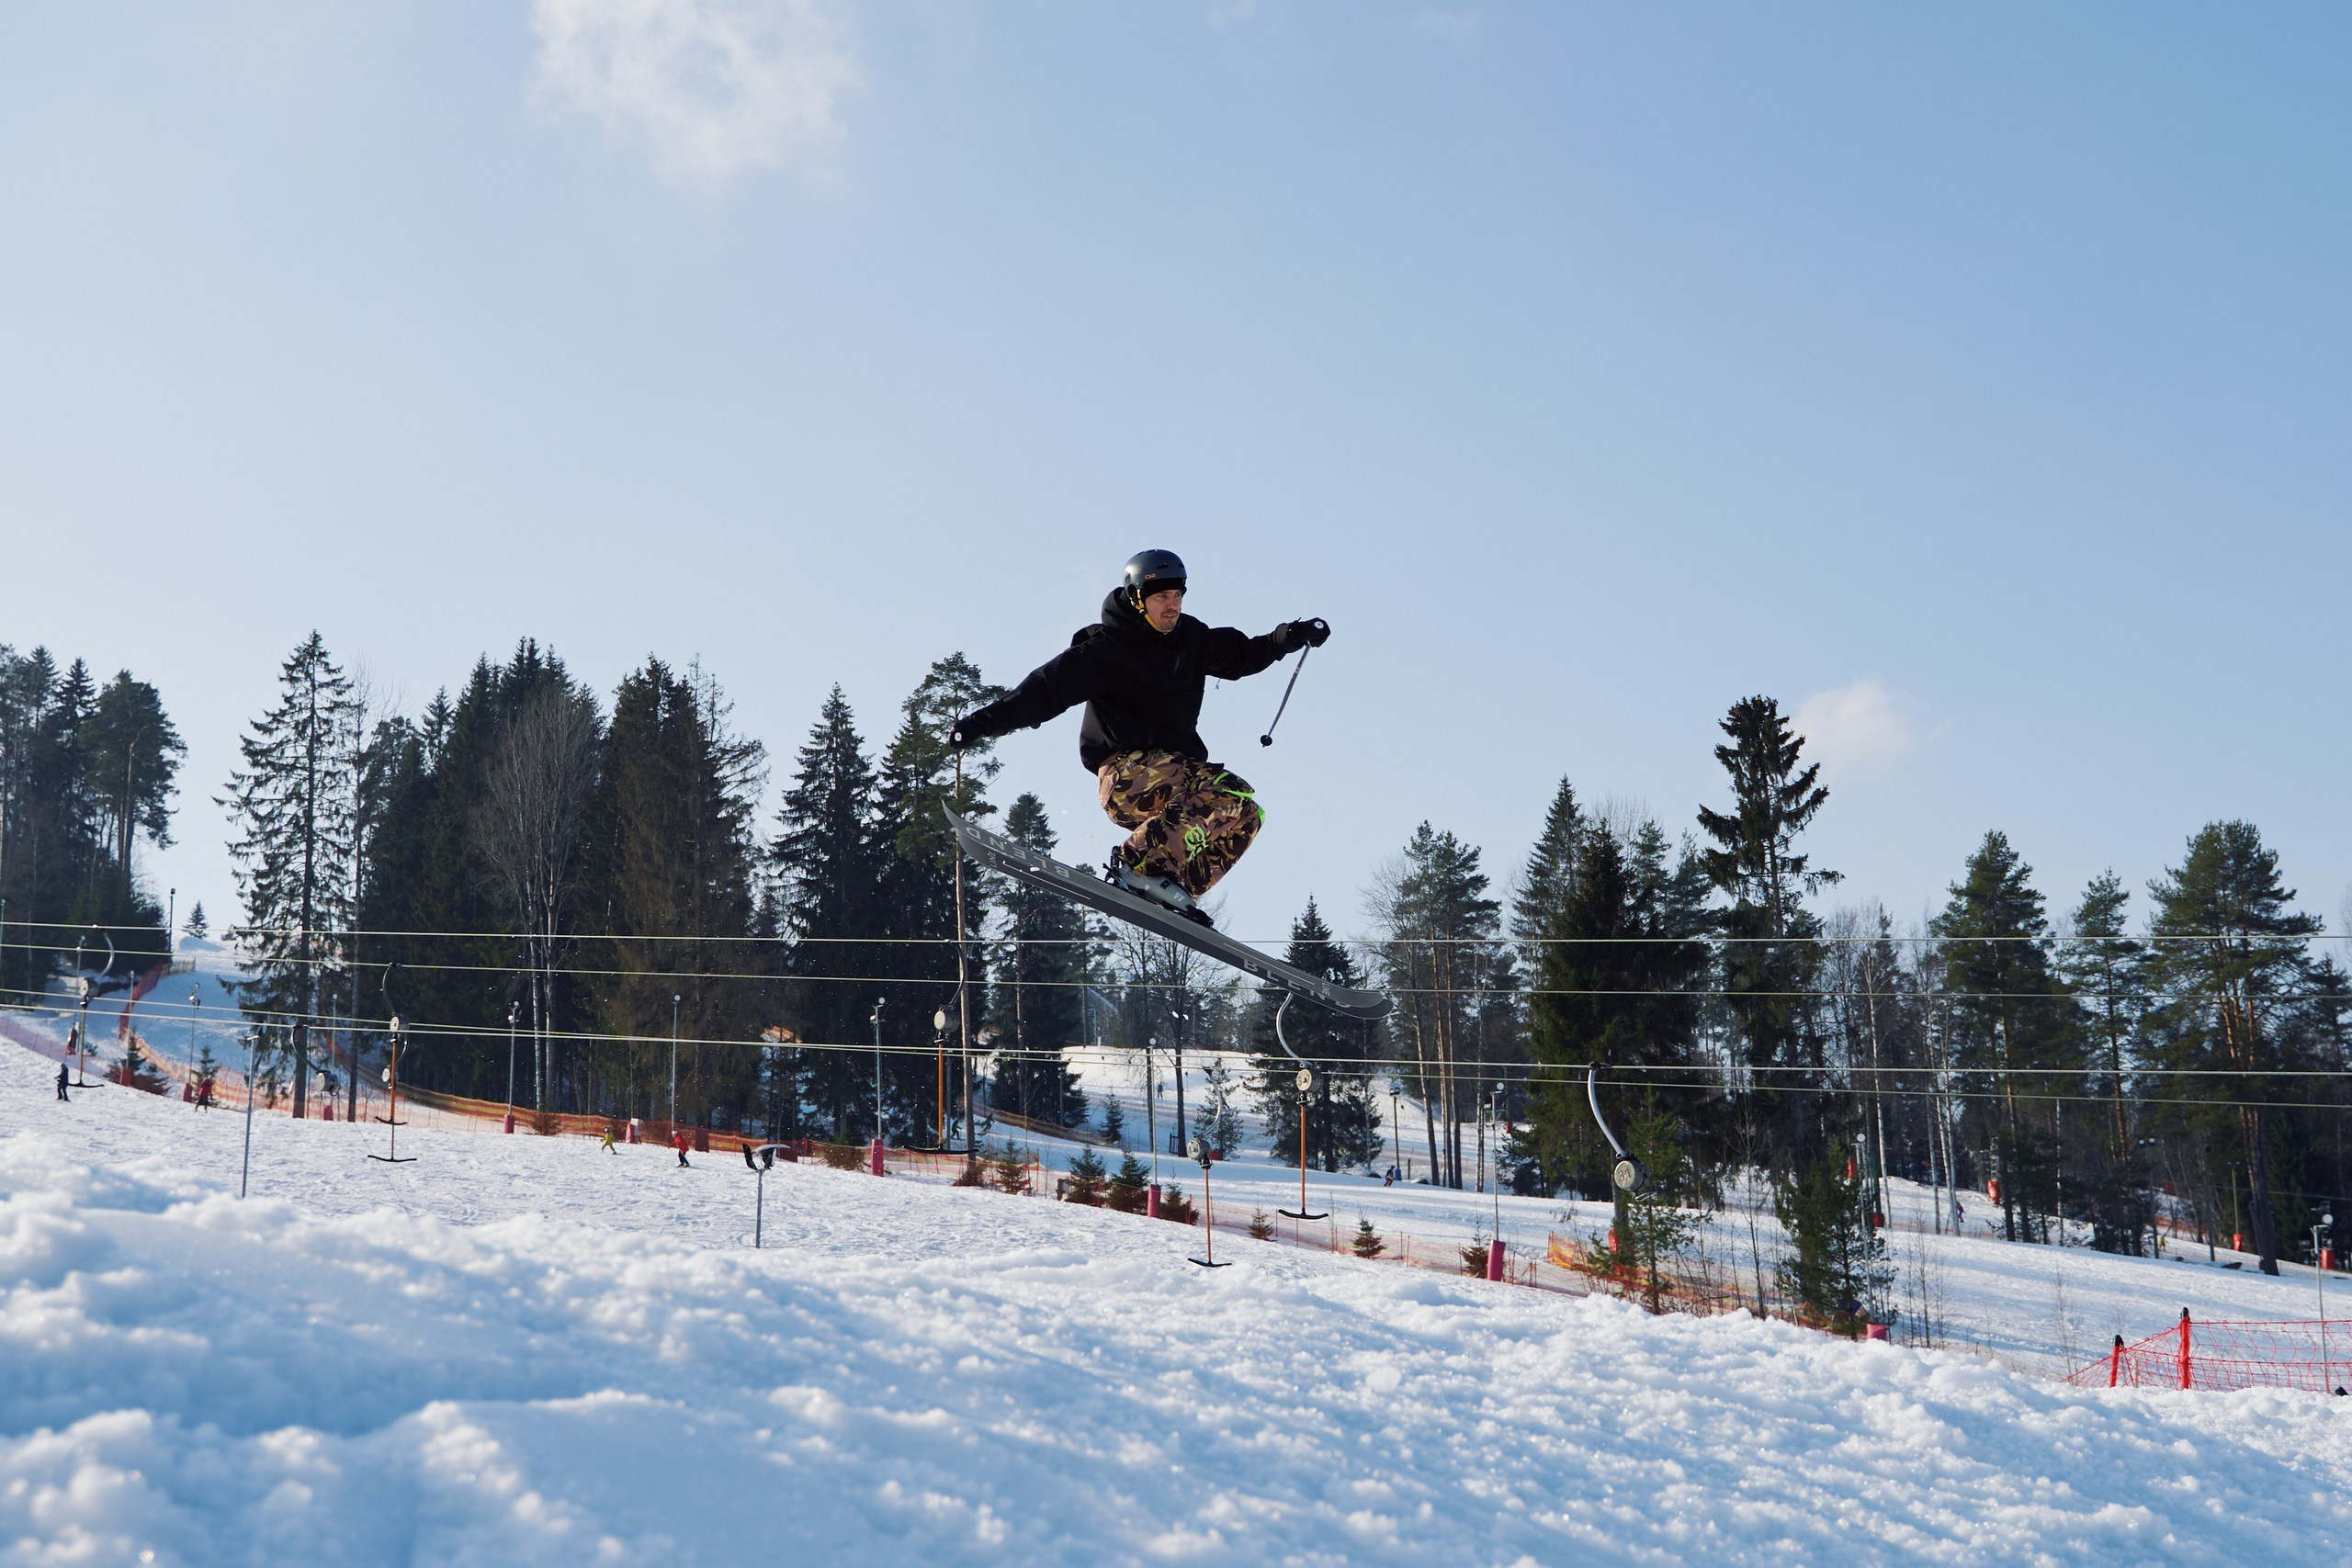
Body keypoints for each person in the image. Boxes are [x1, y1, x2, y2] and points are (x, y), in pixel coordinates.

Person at [949, 549, 1328, 925]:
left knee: (1245, 814)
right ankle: (1136, 863)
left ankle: (1171, 885)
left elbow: (1243, 654)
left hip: (1176, 784)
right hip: (1126, 775)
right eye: (1162, 597)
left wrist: (1291, 635)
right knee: (1228, 790)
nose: (1172, 606)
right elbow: (1043, 692)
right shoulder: (1108, 649)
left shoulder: (1191, 640)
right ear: (1137, 599)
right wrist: (982, 724)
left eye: (1178, 596)